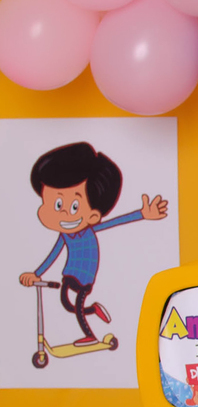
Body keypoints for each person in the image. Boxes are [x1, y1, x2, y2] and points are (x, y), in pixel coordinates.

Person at [19, 142, 169, 344]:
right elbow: (53, 255)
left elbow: (115, 222)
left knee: (77, 307)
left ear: (93, 215)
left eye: (74, 206)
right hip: (70, 271)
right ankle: (95, 309)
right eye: (56, 204)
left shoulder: (88, 229)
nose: (63, 213)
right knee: (67, 304)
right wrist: (36, 273)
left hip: (85, 273)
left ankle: (90, 336)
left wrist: (142, 214)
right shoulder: (64, 235)